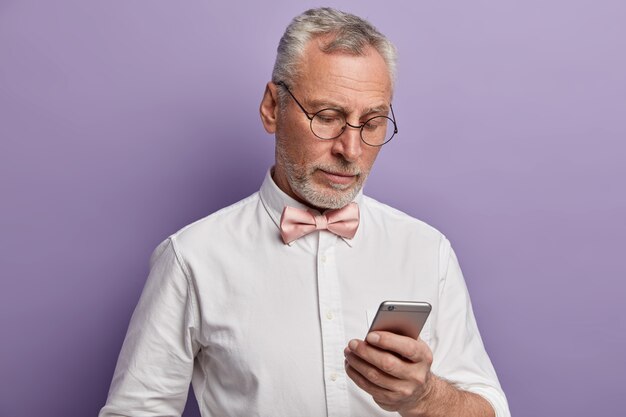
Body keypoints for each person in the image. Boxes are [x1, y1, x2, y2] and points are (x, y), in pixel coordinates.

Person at [100, 7, 510, 417]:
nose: (350, 150)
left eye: (371, 123)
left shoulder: (427, 249)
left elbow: (491, 408)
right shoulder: (191, 258)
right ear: (272, 107)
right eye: (327, 117)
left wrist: (425, 399)